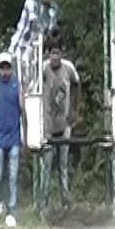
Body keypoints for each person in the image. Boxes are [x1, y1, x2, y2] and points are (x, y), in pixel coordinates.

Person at [40, 40, 80, 209]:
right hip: (47, 126)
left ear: (61, 54)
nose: (54, 57)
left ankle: (65, 200)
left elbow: (77, 85)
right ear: (48, 55)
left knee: (63, 166)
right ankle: (44, 202)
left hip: (64, 124)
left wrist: (75, 110)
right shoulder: (43, 69)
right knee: (46, 167)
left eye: (57, 53)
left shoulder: (68, 68)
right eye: (52, 53)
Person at [0, 52, 26, 227]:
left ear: (11, 68)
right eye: (2, 68)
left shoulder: (17, 85)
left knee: (12, 175)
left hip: (13, 137)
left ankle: (12, 210)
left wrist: (24, 134)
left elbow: (22, 110)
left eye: (7, 67)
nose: (4, 71)